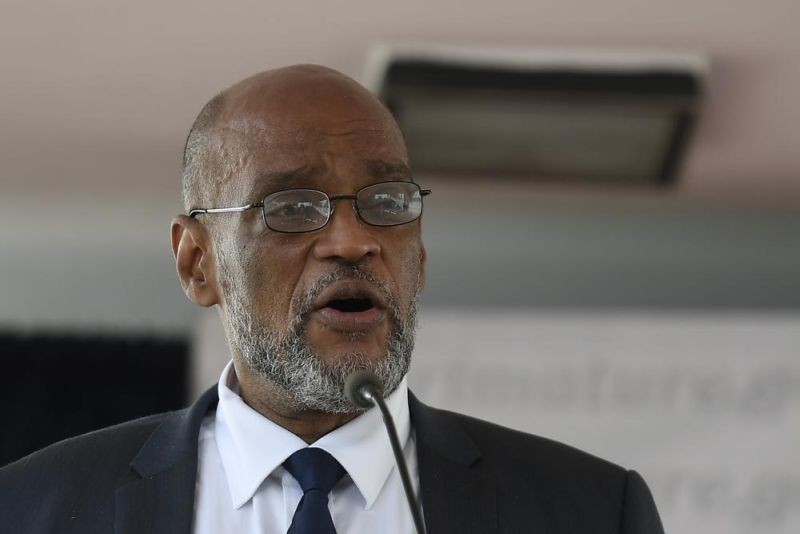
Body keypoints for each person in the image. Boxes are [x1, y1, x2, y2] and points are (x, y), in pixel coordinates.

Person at [0, 65, 665, 534]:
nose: (353, 240)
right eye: (291, 207)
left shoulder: (590, 512)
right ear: (197, 263)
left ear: (421, 253)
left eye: (386, 204)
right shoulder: (33, 509)